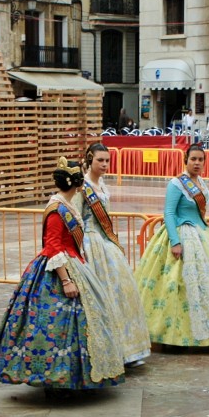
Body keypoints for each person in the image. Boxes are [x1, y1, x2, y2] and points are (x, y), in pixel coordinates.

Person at [0, 158, 125, 391]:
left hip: (73, 263)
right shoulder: (56, 208)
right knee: (57, 327)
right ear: (78, 183)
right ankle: (57, 380)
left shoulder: (66, 205)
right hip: (59, 270)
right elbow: (52, 246)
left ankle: (72, 377)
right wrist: (67, 280)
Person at [135, 144, 209, 348]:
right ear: (185, 160)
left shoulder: (201, 184)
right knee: (175, 285)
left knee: (205, 285)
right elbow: (168, 213)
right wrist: (175, 241)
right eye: (193, 159)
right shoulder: (177, 184)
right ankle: (170, 336)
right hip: (181, 235)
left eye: (200, 159)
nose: (197, 163)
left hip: (202, 237)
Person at [77, 142, 151, 366]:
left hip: (106, 243)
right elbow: (77, 218)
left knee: (120, 294)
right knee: (101, 296)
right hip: (90, 244)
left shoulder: (102, 185)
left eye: (107, 160)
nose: (105, 164)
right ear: (90, 159)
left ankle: (126, 350)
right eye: (100, 160)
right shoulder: (83, 187)